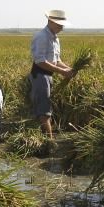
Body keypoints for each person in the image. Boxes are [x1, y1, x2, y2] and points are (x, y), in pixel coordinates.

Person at [30, 10, 75, 138]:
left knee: (47, 107)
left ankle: (46, 138)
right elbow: (40, 61)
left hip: (49, 75)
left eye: (62, 25)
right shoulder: (42, 37)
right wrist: (62, 71)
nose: (61, 27)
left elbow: (57, 60)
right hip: (40, 75)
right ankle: (48, 142)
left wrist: (69, 69)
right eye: (59, 24)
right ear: (50, 21)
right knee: (45, 111)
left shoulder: (55, 38)